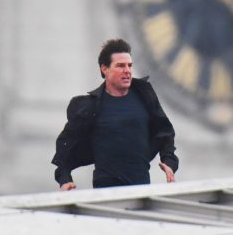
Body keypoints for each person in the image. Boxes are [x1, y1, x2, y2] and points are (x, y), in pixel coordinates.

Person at [51, 38, 178, 190]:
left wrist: (169, 162)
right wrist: (65, 180)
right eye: (120, 66)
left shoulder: (145, 95)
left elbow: (165, 132)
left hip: (141, 191)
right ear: (105, 69)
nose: (127, 71)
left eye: (130, 66)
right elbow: (65, 150)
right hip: (105, 193)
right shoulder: (89, 106)